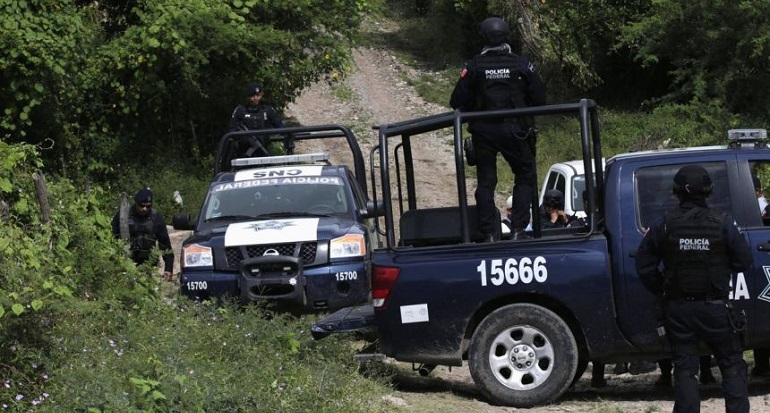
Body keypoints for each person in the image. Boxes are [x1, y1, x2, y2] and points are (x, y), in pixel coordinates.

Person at [635, 164, 753, 413]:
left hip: (678, 310)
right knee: (732, 366)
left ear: (676, 191)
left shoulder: (664, 224)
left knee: (686, 370)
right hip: (716, 309)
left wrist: (664, 289)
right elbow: (744, 261)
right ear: (708, 191)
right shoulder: (723, 223)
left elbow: (644, 265)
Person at [449, 16, 546, 242]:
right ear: (506, 36)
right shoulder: (521, 64)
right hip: (515, 131)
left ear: (482, 38)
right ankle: (519, 231)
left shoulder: (473, 66)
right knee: (524, 176)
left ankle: (489, 233)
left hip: (483, 133)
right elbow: (540, 98)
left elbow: (456, 101)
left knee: (486, 182)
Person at [111, 188, 174, 281]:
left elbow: (165, 244)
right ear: (136, 203)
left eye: (148, 206)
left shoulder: (156, 218)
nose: (145, 209)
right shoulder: (123, 215)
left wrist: (168, 269)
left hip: (149, 264)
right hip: (126, 262)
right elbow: (112, 238)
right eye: (142, 206)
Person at [228, 81, 285, 157]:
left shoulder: (267, 111)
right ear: (247, 96)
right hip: (244, 155)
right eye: (252, 95)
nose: (255, 98)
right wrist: (245, 138)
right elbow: (231, 131)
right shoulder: (240, 111)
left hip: (263, 152)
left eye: (258, 95)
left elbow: (280, 127)